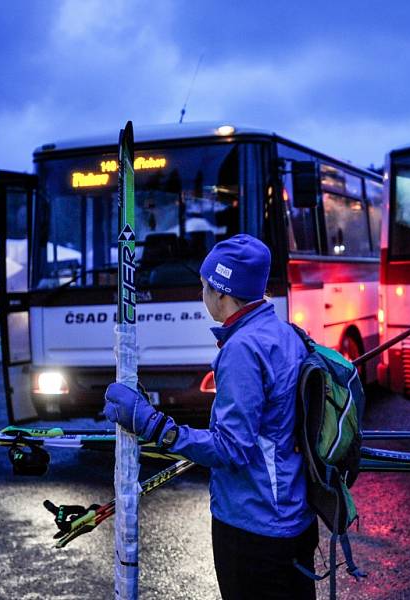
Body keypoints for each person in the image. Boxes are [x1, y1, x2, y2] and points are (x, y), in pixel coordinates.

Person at [104, 234, 318, 600]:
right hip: (294, 518)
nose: (200, 294)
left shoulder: (243, 349)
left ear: (222, 292)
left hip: (254, 527)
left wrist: (149, 422)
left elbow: (231, 449)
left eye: (203, 285)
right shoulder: (285, 334)